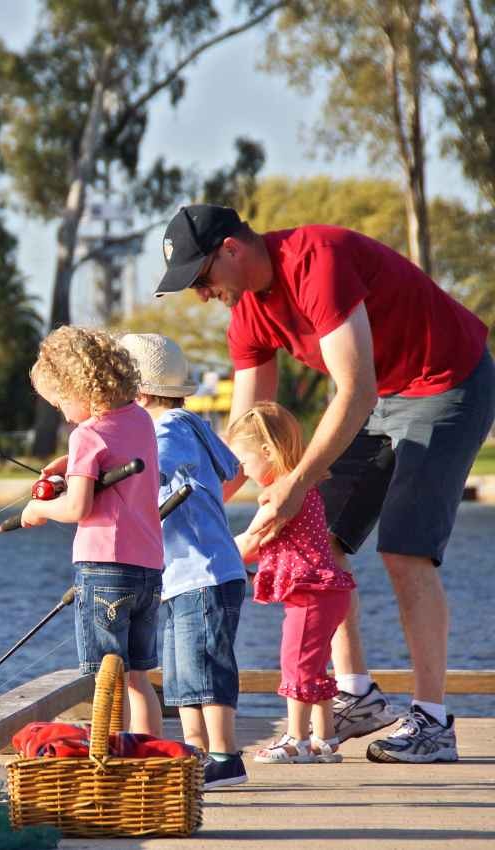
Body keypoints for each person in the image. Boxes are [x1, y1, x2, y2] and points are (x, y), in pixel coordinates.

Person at [155, 203, 494, 763]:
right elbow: (245, 438)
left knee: (405, 550)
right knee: (320, 543)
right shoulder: (248, 318)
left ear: (232, 250)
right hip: (377, 397)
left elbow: (353, 390)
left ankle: (433, 722)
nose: (201, 294)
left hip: (446, 383)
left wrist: (293, 488)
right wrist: (186, 502)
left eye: (202, 277)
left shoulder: (318, 261)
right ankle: (357, 695)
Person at [119, 332, 249, 788]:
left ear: (138, 393)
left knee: (206, 666)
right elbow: (234, 470)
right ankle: (196, 753)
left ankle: (225, 756)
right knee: (182, 673)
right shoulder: (194, 425)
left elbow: (145, 469)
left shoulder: (169, 427)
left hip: (202, 573)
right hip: (183, 575)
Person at [21, 326, 164, 735]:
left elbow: (77, 506)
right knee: (138, 677)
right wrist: (71, 462)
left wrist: (39, 509)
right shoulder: (140, 419)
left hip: (103, 569)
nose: (63, 413)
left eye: (61, 401)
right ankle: (149, 759)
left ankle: (107, 761)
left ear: (80, 386)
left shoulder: (85, 434)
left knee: (105, 679)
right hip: (149, 566)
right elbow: (116, 453)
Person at [229, 402, 357, 763]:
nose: (244, 471)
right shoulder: (304, 488)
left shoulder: (279, 497)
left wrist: (210, 552)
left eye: (245, 461)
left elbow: (251, 542)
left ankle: (295, 740)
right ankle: (326, 741)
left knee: (296, 664)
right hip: (328, 593)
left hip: (311, 594)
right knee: (314, 666)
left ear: (267, 452)